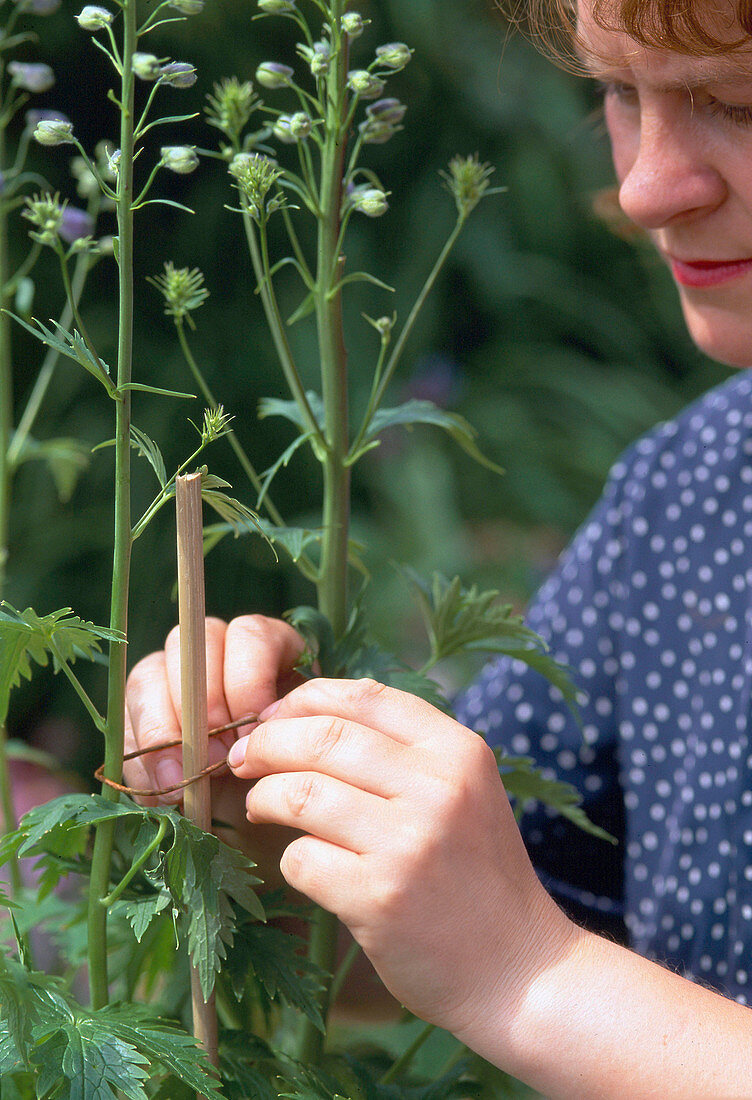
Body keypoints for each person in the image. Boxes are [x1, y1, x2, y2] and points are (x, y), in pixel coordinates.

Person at [124, 0, 752, 1094]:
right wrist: (277, 818)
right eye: (615, 93)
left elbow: (523, 957)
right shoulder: (692, 494)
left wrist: (529, 974)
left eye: (737, 104)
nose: (648, 185)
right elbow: (460, 926)